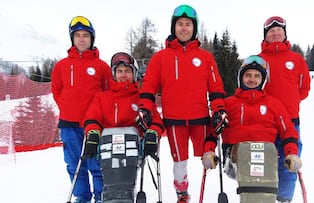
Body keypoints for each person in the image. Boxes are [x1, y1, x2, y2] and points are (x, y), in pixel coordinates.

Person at [136, 4, 227, 203]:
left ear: (194, 28)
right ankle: (182, 193)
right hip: (174, 120)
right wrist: (145, 108)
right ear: (173, 27)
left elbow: (216, 87)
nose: (184, 28)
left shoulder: (205, 57)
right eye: (180, 24)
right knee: (179, 161)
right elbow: (149, 86)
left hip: (200, 118)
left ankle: (206, 189)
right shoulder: (161, 57)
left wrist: (219, 110)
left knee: (207, 157)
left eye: (188, 24)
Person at [201, 55, 302, 197]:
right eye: (248, 75)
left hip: (266, 157)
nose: (252, 79)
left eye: (257, 76)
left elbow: (288, 131)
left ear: (263, 80)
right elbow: (213, 130)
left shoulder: (274, 104)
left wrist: (292, 153)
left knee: (266, 157)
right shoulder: (229, 104)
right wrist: (209, 152)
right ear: (241, 78)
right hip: (235, 157)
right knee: (245, 152)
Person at [82, 52, 164, 202]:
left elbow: (157, 121)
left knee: (127, 178)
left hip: (133, 149)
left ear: (134, 73)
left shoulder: (142, 98)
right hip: (108, 150)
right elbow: (91, 118)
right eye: (119, 71)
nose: (123, 75)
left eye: (127, 71)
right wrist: (93, 133)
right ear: (114, 74)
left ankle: (127, 195)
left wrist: (152, 133)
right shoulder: (103, 98)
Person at [51, 16, 112, 203]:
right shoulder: (61, 66)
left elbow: (108, 92)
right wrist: (70, 109)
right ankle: (82, 197)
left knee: (97, 164)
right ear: (72, 38)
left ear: (92, 38)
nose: (82, 39)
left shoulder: (101, 66)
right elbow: (57, 91)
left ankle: (101, 197)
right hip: (69, 125)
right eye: (77, 35)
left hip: (95, 126)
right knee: (74, 164)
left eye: (85, 35)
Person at [259, 16, 311, 203]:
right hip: (265, 122)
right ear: (266, 35)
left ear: (284, 33)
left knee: (289, 162)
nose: (275, 33)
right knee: (264, 162)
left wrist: (288, 102)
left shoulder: (296, 59)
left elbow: (304, 89)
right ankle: (264, 197)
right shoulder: (259, 59)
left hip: (290, 121)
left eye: (278, 30)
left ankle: (284, 199)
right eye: (271, 31)